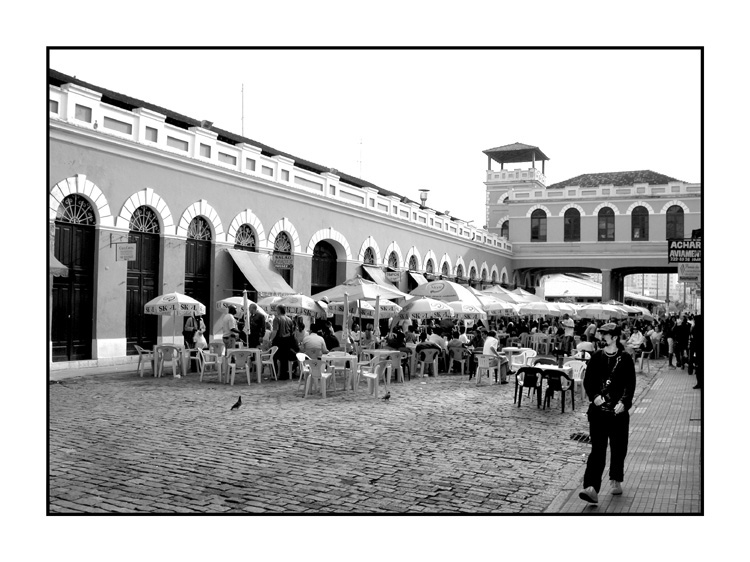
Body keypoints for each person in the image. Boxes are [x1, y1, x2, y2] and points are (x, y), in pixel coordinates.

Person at [579, 322, 636, 504]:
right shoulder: (596, 357)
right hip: (598, 413)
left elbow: (630, 384)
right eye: (601, 334)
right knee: (597, 450)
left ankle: (616, 479)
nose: (601, 337)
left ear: (615, 337)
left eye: (605, 334)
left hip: (618, 413)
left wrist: (624, 402)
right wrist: (594, 396)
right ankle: (591, 488)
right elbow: (589, 381)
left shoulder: (625, 359)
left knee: (619, 448)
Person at [270, 305, 297, 380]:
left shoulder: (277, 318)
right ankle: (283, 374)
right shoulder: (289, 319)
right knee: (284, 358)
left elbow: (275, 331)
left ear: (279, 310)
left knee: (274, 357)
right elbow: (292, 332)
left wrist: (271, 339)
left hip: (279, 340)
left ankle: (275, 374)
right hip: (287, 341)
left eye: (276, 310)